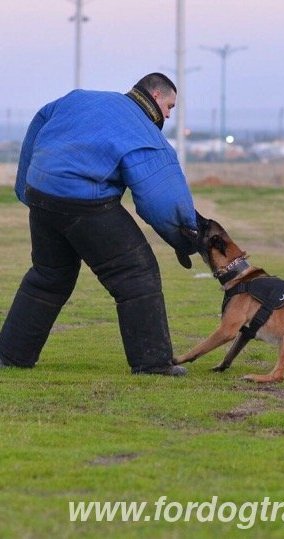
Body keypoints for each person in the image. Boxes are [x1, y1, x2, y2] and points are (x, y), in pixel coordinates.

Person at [0, 73, 199, 376]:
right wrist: (185, 238)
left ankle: (10, 356)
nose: (170, 115)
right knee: (136, 274)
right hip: (85, 202)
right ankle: (152, 364)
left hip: (42, 195)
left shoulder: (79, 99)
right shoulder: (142, 130)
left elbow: (38, 127)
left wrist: (26, 189)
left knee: (49, 277)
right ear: (156, 96)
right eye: (170, 106)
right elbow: (161, 195)